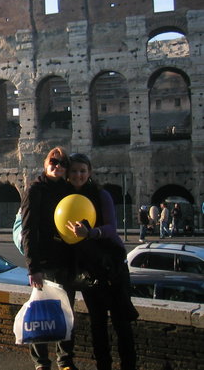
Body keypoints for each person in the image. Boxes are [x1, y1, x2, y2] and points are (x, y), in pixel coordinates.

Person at [65, 153, 138, 370]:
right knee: (97, 324)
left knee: (121, 322)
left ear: (89, 173)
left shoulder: (101, 195)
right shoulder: (64, 198)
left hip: (112, 267)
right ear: (68, 174)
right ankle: (103, 366)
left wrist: (91, 233)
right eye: (75, 171)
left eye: (82, 171)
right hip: (89, 272)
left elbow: (112, 228)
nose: (78, 175)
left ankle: (129, 366)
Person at [20, 146, 78, 370]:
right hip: (44, 262)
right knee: (40, 312)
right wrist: (33, 267)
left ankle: (65, 360)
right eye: (54, 162)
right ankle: (41, 362)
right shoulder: (35, 190)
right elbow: (28, 230)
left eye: (63, 163)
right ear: (46, 164)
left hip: (65, 260)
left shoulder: (69, 189)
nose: (58, 166)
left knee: (67, 313)